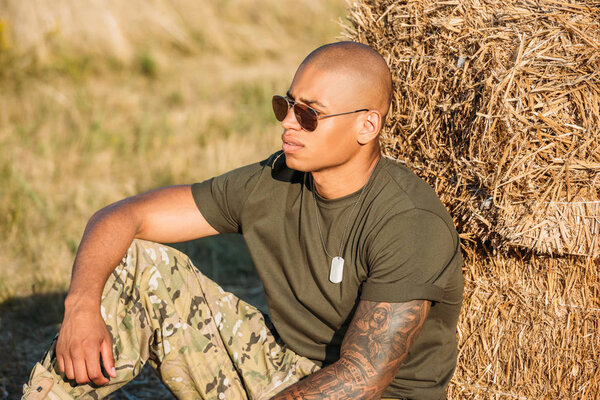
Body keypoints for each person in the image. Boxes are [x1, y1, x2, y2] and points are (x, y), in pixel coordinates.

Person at [23, 41, 463, 400]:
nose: (289, 123)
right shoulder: (273, 181)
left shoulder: (408, 221)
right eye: (285, 105)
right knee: (138, 262)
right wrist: (79, 307)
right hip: (284, 368)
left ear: (367, 126)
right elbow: (125, 217)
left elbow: (363, 377)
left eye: (309, 114)